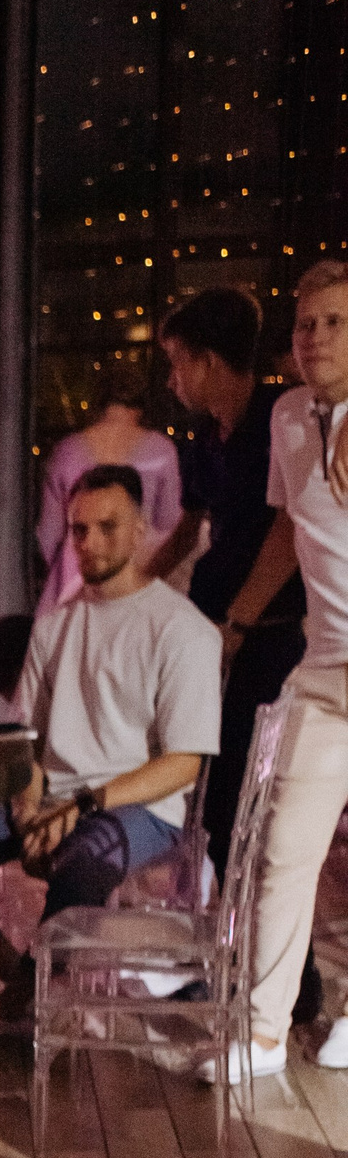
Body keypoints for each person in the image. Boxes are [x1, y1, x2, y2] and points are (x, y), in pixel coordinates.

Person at [0, 467, 220, 1027]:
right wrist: (28, 805)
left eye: (107, 527)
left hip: (140, 807)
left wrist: (83, 805)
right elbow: (28, 743)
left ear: (141, 530)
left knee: (79, 866)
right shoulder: (53, 628)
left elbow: (183, 765)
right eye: (78, 529)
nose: (89, 542)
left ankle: (26, 1004)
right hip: (56, 797)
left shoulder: (182, 630)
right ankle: (25, 979)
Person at [203, 260, 348, 1080]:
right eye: (305, 324)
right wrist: (236, 623)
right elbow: (290, 531)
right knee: (283, 850)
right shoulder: (290, 417)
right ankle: (261, 1036)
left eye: (335, 322)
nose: (315, 337)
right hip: (322, 669)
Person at [149, 287, 309, 884]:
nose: (172, 380)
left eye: (177, 363)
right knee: (210, 796)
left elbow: (288, 532)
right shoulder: (205, 437)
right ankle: (215, 919)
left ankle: (256, 930)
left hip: (266, 636)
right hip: (216, 633)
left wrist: (238, 623)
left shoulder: (279, 420)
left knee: (244, 798)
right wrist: (130, 583)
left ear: (209, 361)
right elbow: (187, 530)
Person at [36, 360, 183, 610]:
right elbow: (170, 526)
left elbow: (48, 535)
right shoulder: (161, 450)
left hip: (74, 585)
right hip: (136, 583)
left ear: (99, 403)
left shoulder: (66, 451)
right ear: (141, 406)